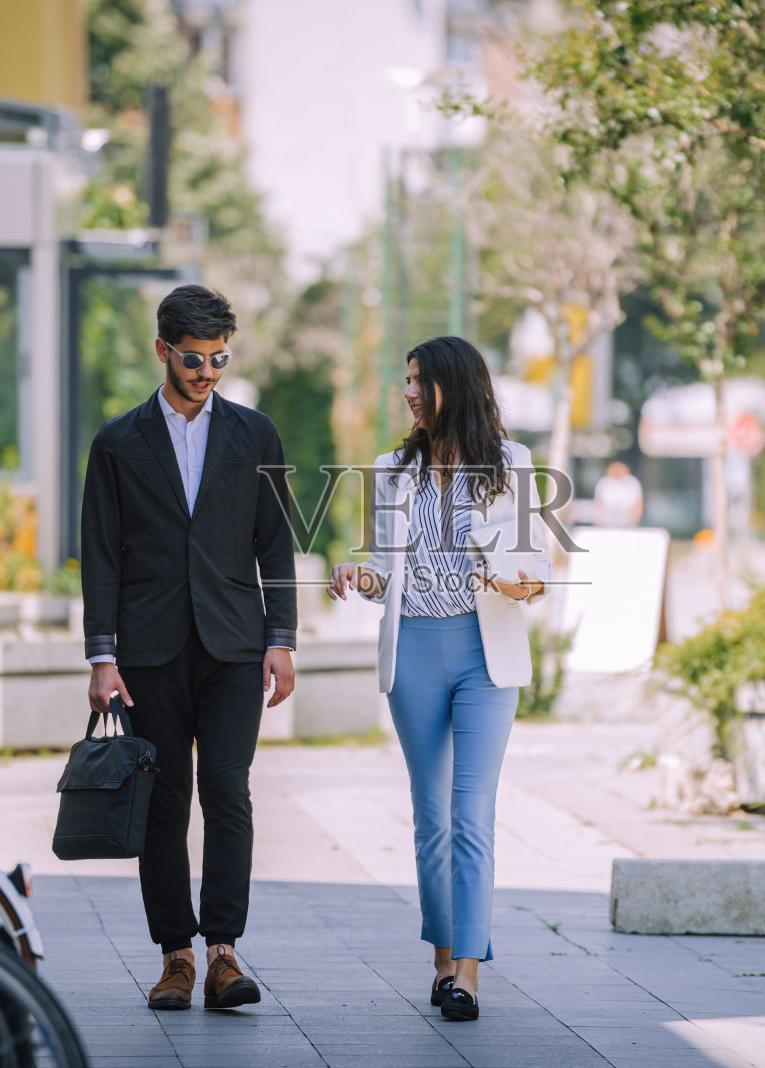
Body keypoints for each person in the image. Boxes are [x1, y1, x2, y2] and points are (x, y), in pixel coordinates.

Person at [80, 284, 298, 1012]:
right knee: (166, 802)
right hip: (149, 649)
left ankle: (224, 953)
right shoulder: (116, 442)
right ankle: (175, 955)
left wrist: (282, 640)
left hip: (235, 645)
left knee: (228, 793)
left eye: (219, 359)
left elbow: (277, 541)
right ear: (162, 351)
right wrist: (101, 657)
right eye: (194, 359)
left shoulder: (254, 434)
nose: (207, 373)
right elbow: (101, 553)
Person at [327, 336, 551, 1023]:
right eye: (407, 379)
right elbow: (385, 577)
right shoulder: (393, 469)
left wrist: (511, 582)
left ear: (458, 385)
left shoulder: (510, 466)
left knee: (470, 814)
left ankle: (467, 976)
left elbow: (535, 574)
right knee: (430, 819)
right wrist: (359, 576)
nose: (410, 391)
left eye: (422, 380)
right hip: (416, 651)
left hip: (486, 656)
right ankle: (441, 954)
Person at [591, 460, 644, 527]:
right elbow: (597, 503)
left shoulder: (633, 483)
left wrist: (634, 517)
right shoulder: (603, 482)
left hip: (629, 522)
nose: (618, 471)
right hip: (605, 523)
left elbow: (638, 504)